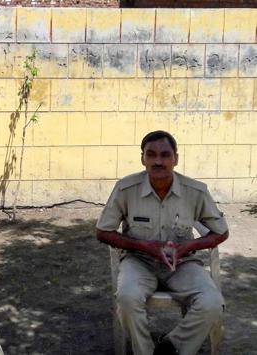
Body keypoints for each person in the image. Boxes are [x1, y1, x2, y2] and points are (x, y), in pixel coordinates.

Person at [96, 131, 228, 355]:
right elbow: (102, 232)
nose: (158, 161)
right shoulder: (126, 189)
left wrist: (188, 247)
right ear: (143, 158)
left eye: (165, 155)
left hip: (183, 263)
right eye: (152, 155)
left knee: (213, 302)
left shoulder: (195, 191)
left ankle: (172, 347)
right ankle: (145, 351)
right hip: (139, 261)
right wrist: (144, 247)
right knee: (127, 297)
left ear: (175, 158)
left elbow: (221, 232)